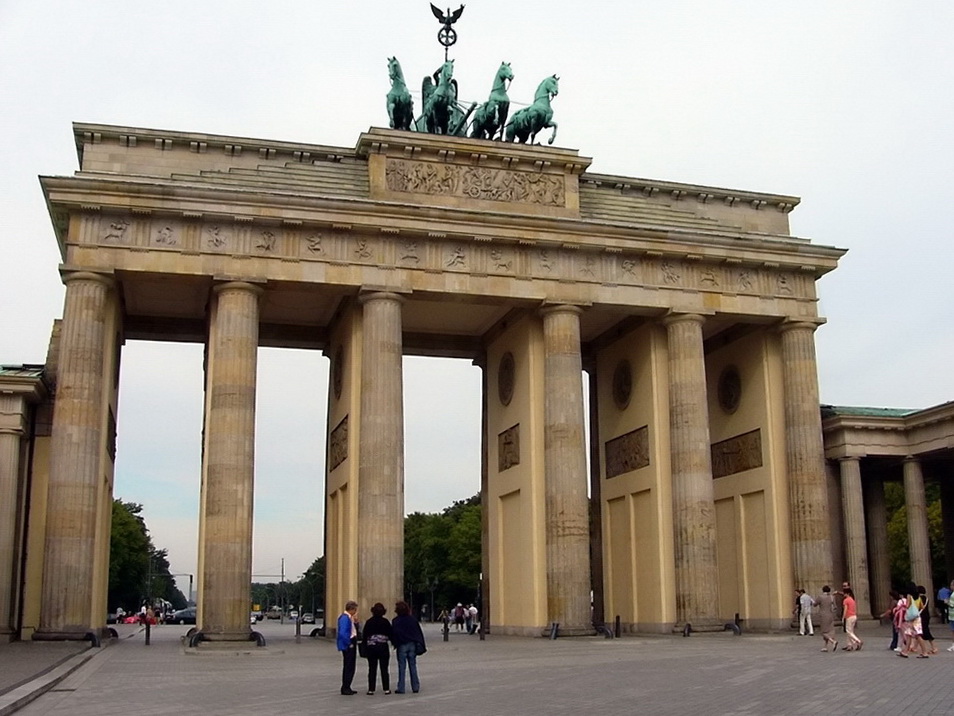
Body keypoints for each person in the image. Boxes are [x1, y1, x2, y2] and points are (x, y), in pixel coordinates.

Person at [392, 601, 425, 694]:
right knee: (413, 666)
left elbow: (394, 634)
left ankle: (401, 687)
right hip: (412, 644)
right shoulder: (412, 619)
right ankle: (415, 686)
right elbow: (418, 632)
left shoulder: (396, 621)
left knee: (402, 667)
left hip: (402, 645)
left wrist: (395, 643)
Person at [361, 602, 393, 695]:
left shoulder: (369, 622)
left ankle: (371, 689)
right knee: (384, 669)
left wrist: (364, 647)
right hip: (383, 647)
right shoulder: (385, 622)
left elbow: (365, 636)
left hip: (371, 647)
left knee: (372, 668)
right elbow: (391, 634)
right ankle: (386, 689)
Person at [337, 600, 359, 695]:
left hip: (350, 642)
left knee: (350, 665)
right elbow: (343, 633)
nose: (356, 612)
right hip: (348, 643)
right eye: (355, 610)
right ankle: (346, 687)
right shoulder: (345, 618)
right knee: (349, 666)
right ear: (352, 609)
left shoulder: (349, 618)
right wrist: (348, 643)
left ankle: (347, 686)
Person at [918, 585, 938, 655]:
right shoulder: (926, 598)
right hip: (926, 616)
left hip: (921, 616)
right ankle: (931, 647)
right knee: (922, 631)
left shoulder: (919, 598)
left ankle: (934, 647)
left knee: (925, 632)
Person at [817, 585, 837, 652]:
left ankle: (833, 641)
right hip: (830, 615)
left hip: (823, 615)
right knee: (828, 631)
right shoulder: (832, 597)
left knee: (823, 632)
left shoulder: (820, 597)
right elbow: (835, 607)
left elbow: (815, 604)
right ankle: (825, 647)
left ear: (823, 590)